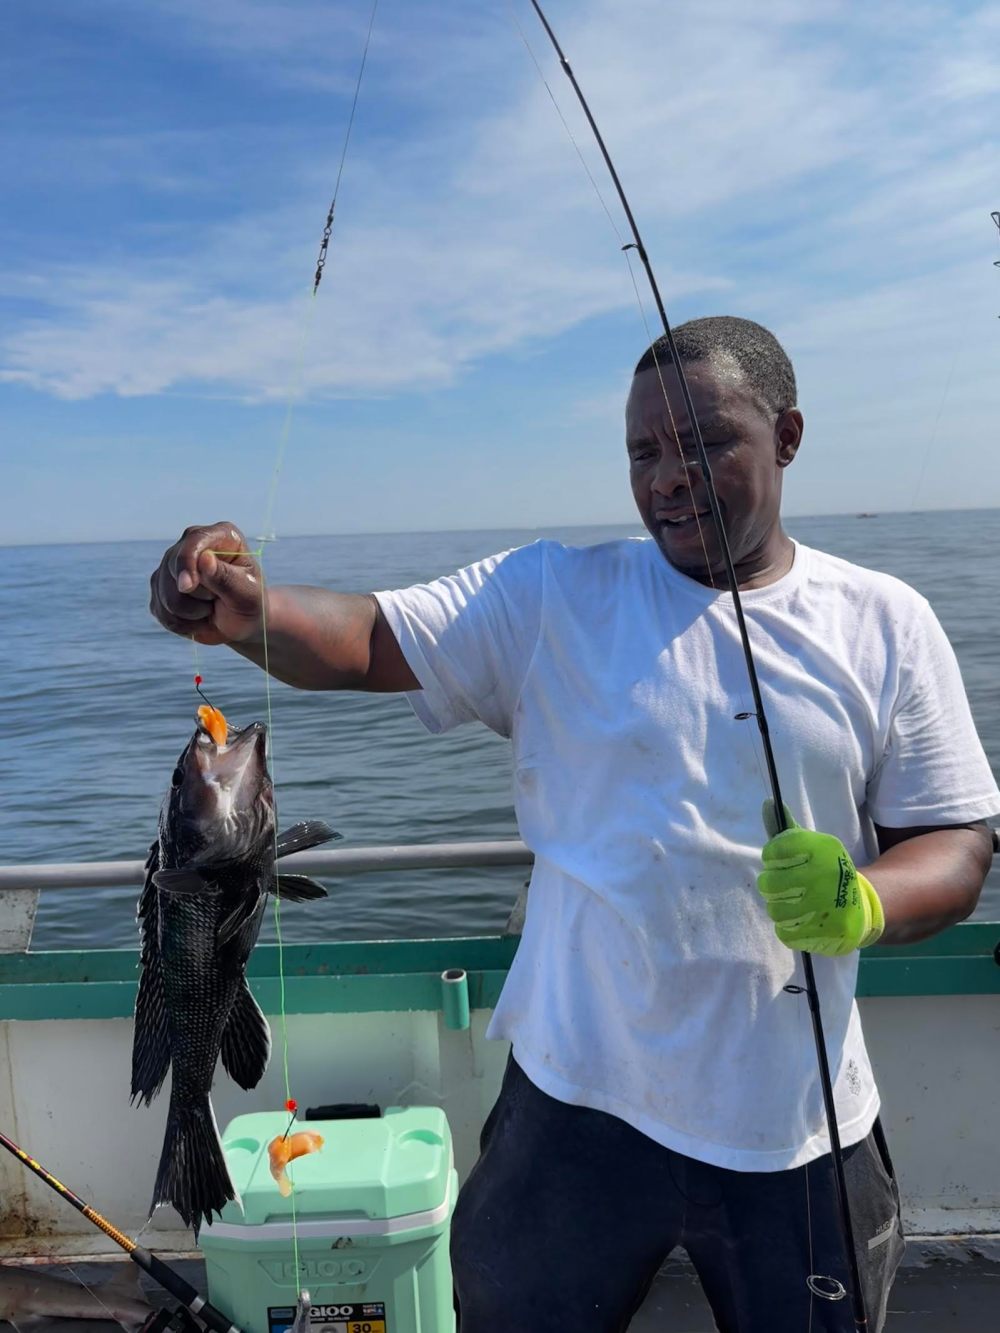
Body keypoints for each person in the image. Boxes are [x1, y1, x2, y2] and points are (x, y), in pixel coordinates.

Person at [149, 316, 999, 1332]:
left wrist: (865, 898)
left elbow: (956, 844)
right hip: (571, 1102)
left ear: (787, 436)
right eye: (643, 452)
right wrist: (247, 612)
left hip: (794, 1121)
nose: (668, 477)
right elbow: (369, 637)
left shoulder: (886, 621)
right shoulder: (553, 593)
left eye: (704, 442)